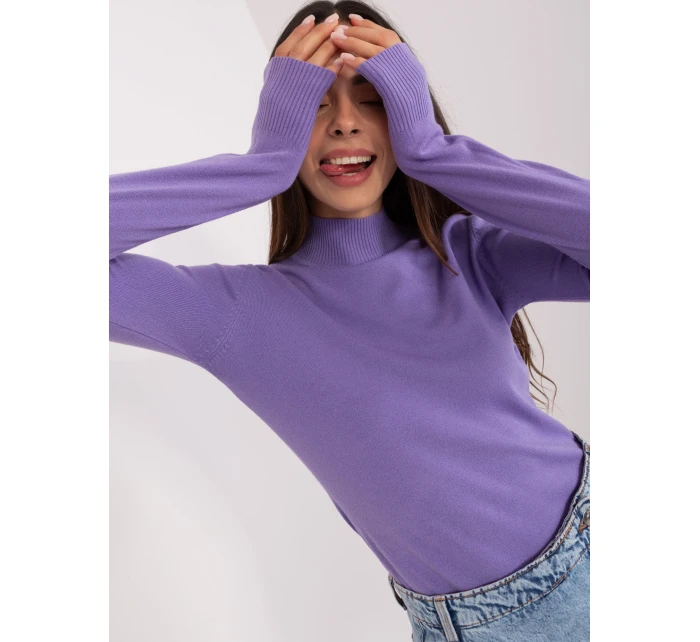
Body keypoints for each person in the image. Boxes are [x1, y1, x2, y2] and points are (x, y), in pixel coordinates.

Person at [109, 2, 590, 640]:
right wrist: (259, 167)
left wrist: (436, 153)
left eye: (373, 100)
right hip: (465, 623)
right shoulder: (234, 312)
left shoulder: (470, 255)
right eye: (311, 104)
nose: (343, 122)